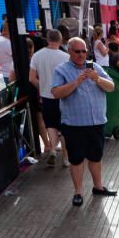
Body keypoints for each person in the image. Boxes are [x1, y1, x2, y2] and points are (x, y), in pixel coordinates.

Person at [50, 37, 116, 206]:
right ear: (69, 52)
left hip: (96, 123)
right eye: (77, 51)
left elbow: (112, 87)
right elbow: (56, 93)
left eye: (84, 51)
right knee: (76, 159)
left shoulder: (95, 67)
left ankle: (98, 186)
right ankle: (78, 192)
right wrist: (77, 82)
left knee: (96, 157)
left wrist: (98, 79)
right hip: (74, 124)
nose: (81, 54)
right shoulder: (61, 70)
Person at [29, 29, 71, 167]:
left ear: (47, 39)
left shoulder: (37, 55)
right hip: (63, 96)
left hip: (46, 97)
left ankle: (52, 149)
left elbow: (31, 78)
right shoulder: (65, 57)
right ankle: (65, 157)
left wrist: (42, 88)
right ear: (60, 40)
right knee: (64, 127)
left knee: (51, 125)